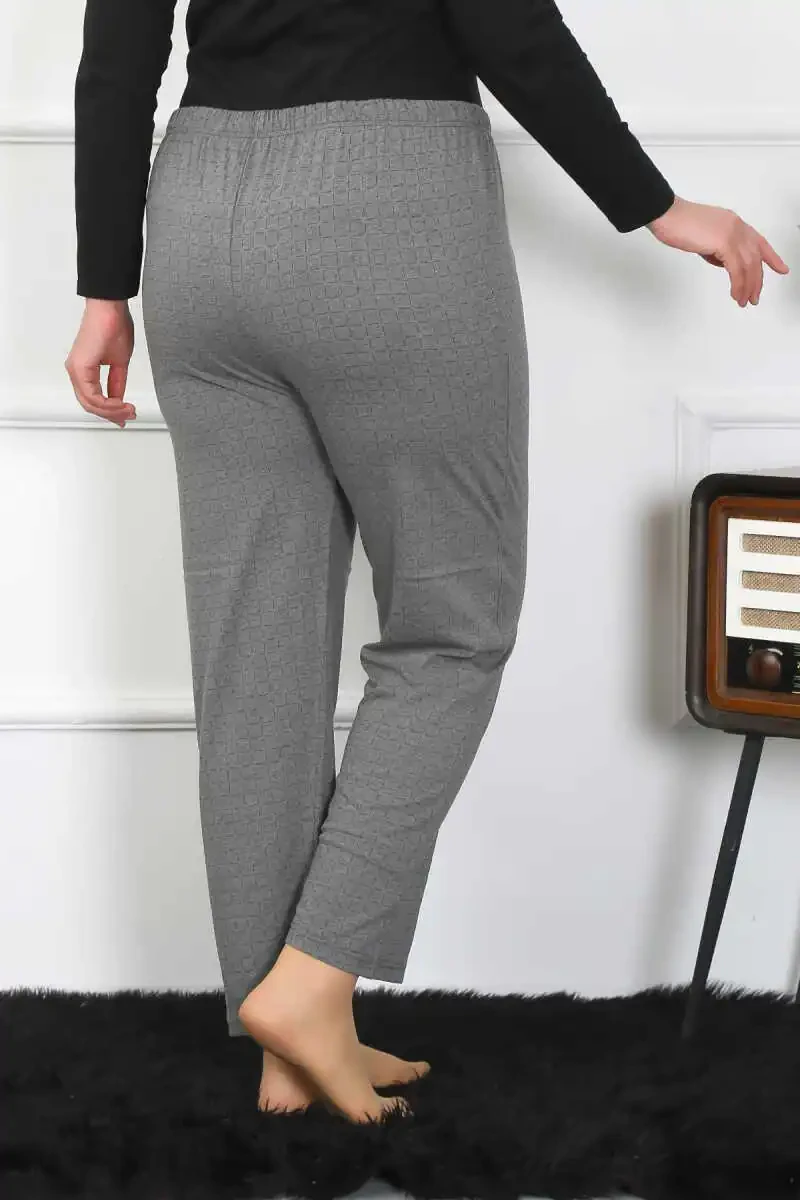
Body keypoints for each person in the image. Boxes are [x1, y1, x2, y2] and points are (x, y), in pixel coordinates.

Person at [65, 0, 789, 1125]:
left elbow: (116, 61)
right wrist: (653, 204)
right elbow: (500, 15)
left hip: (197, 216)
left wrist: (105, 286)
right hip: (386, 202)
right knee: (454, 624)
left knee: (255, 658)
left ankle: (287, 1051)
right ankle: (309, 983)